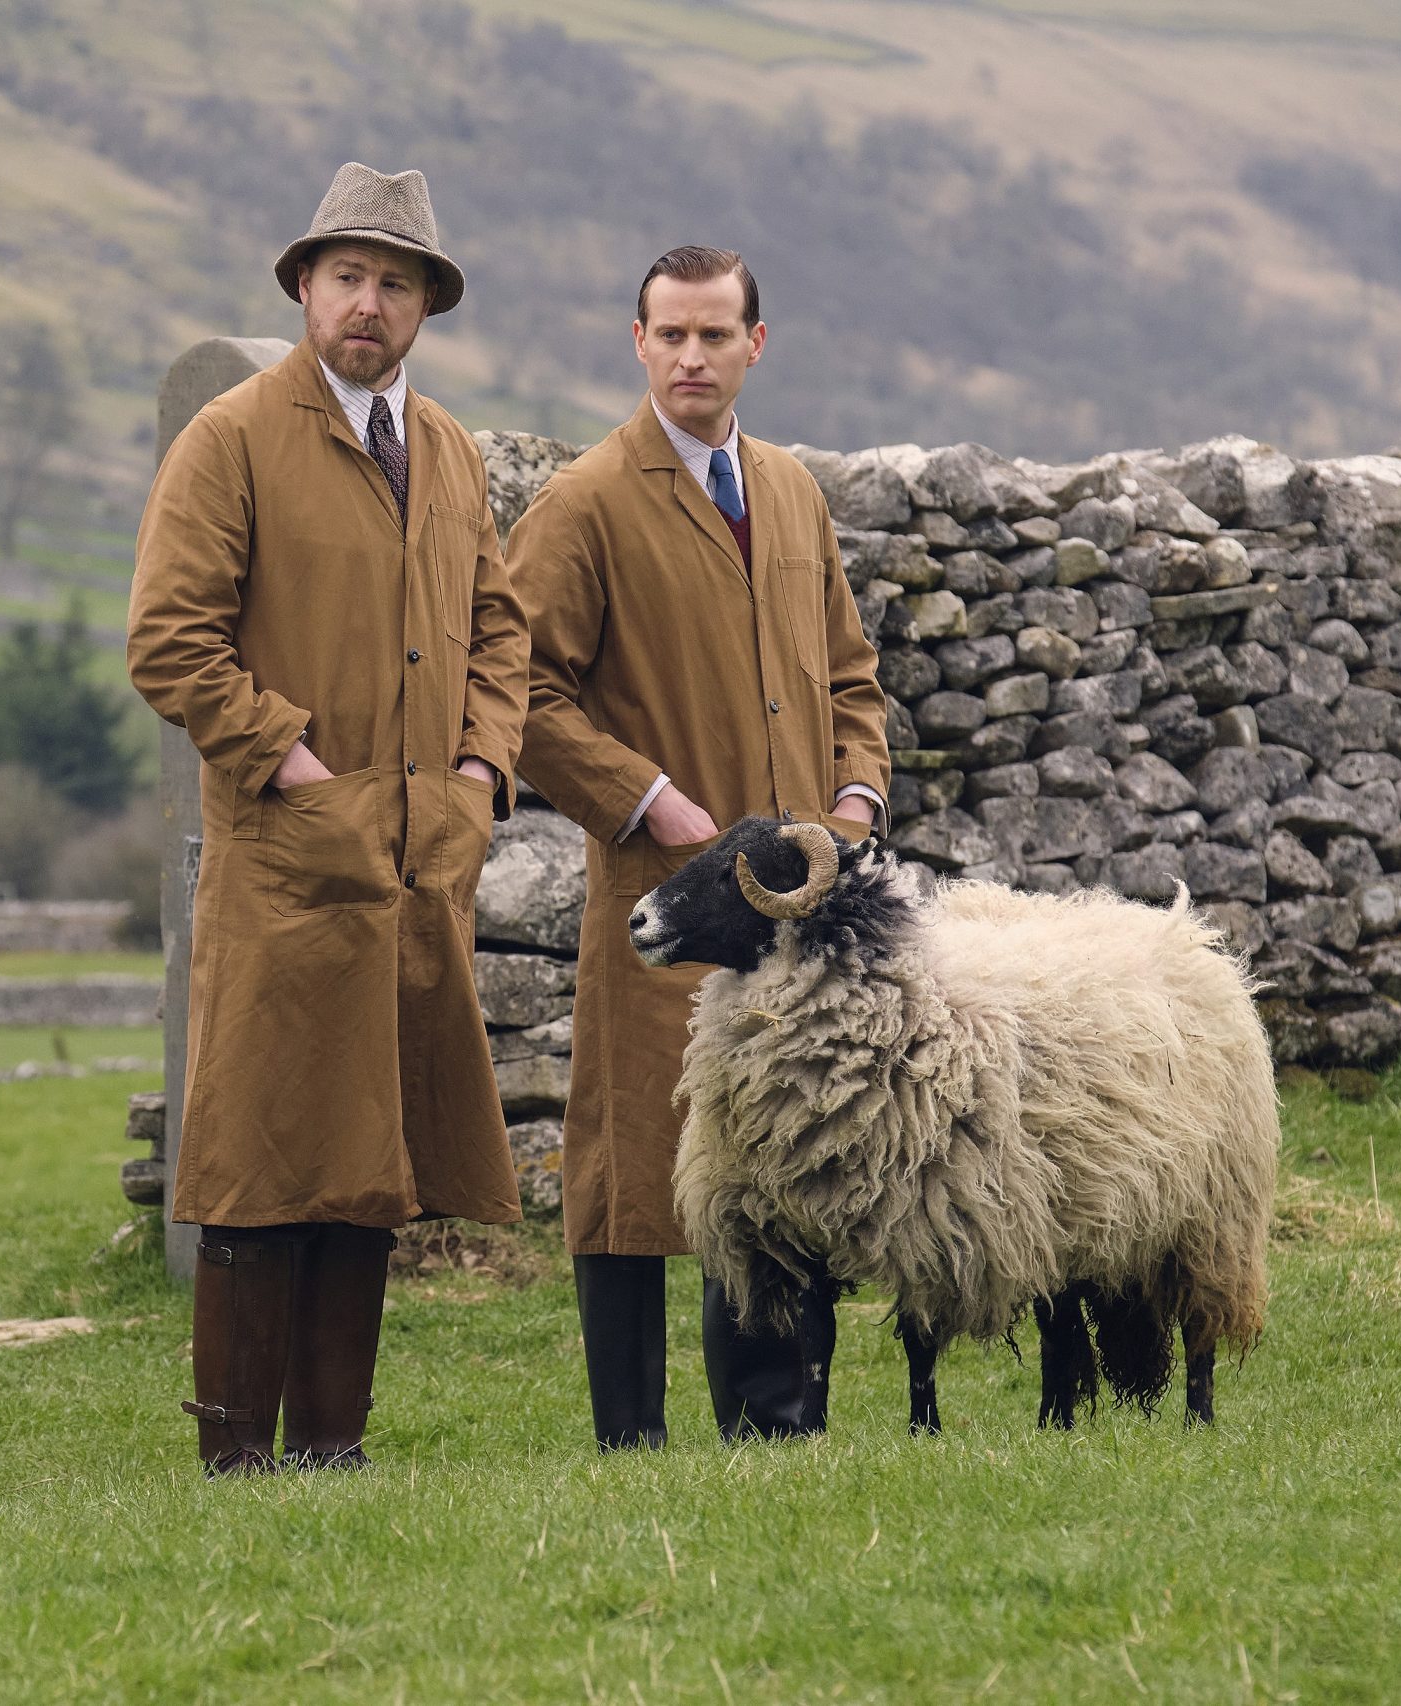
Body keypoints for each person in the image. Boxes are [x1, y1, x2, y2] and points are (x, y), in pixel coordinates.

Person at [126, 163, 529, 1475]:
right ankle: (237, 1457)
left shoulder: (451, 451)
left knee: (371, 1163)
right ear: (305, 286)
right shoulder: (234, 438)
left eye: (395, 283)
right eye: (347, 276)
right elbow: (168, 642)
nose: (369, 303)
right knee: (257, 1165)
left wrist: (481, 774)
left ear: (425, 307)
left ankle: (332, 1450)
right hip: (285, 865)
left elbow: (498, 630)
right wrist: (292, 761)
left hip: (415, 865)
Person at [507, 245, 890, 1449]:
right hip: (659, 901)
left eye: (713, 334)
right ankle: (630, 1434)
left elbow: (849, 674)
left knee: (779, 1156)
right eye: (668, 334)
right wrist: (650, 798)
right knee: (631, 1165)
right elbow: (517, 690)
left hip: (789, 920)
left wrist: (855, 802)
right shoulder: (584, 502)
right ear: (637, 342)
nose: (690, 356)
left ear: (753, 345)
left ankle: (775, 1424)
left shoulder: (789, 492)